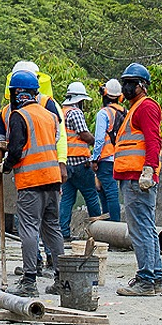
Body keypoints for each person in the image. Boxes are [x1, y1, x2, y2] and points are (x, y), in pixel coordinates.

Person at [0, 68, 64, 298]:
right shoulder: (49, 115)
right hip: (53, 181)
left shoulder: (20, 116)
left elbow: (15, 150)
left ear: (18, 93)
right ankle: (61, 279)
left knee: (29, 229)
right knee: (52, 229)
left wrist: (4, 167)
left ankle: (29, 280)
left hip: (31, 182)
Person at [113, 63, 162, 295]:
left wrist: (148, 170)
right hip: (135, 176)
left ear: (142, 86)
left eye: (130, 83)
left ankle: (146, 280)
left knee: (140, 229)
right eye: (125, 82)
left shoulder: (145, 107)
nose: (126, 87)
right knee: (147, 227)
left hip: (138, 177)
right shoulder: (134, 109)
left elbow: (154, 141)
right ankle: (155, 277)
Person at [57, 81, 102, 242]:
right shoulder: (75, 112)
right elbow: (84, 134)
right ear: (79, 99)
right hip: (80, 163)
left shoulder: (61, 112)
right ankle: (99, 231)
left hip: (66, 164)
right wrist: (97, 142)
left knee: (67, 199)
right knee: (90, 195)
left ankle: (63, 232)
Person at [90, 79, 124, 223]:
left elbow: (99, 139)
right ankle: (108, 225)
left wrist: (95, 158)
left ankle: (114, 226)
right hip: (120, 158)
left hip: (106, 159)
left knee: (110, 193)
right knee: (106, 191)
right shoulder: (125, 112)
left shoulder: (103, 114)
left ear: (104, 93)